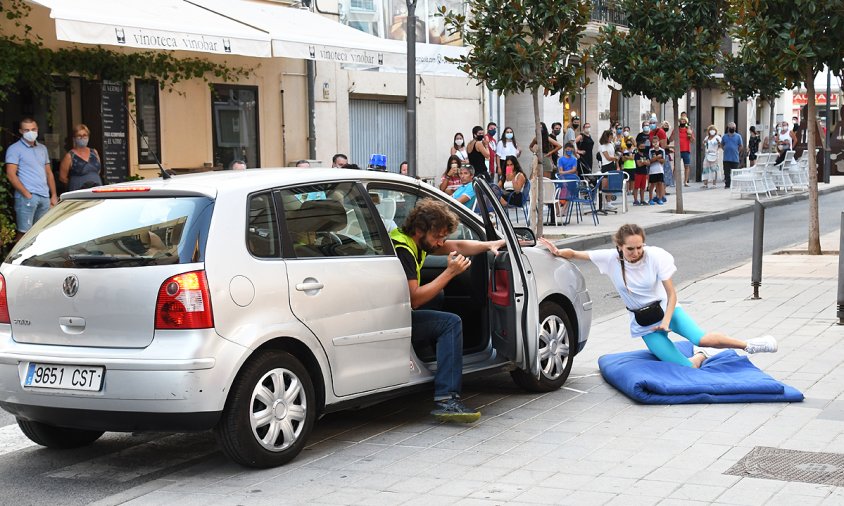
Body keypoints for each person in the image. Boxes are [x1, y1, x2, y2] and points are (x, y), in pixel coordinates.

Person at [538, 224, 778, 369]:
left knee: (701, 337)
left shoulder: (656, 256)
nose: (635, 253)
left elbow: (672, 294)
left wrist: (665, 323)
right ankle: (702, 356)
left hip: (666, 310)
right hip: (644, 323)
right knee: (685, 367)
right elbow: (578, 254)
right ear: (619, 247)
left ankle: (750, 345)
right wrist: (557, 251)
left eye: (639, 247)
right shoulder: (611, 259)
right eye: (630, 248)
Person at [390, 199, 504, 421]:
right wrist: (450, 272)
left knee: (439, 295)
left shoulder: (417, 242)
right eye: (437, 236)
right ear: (420, 229)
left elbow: (459, 246)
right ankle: (447, 399)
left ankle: (425, 353)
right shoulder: (403, 249)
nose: (440, 242)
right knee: (450, 323)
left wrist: (490, 244)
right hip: (394, 317)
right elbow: (415, 299)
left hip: (396, 311)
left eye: (443, 236)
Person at [4, 117, 58, 240]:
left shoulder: (42, 148)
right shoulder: (14, 149)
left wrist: (53, 195)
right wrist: (26, 194)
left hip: (44, 197)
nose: (31, 132)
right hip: (27, 198)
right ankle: (17, 259)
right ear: (21, 131)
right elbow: (11, 175)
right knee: (24, 234)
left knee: (41, 233)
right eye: (27, 130)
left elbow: (49, 173)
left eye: (33, 129)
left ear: (37, 129)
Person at [58, 123, 102, 192]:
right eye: (79, 136)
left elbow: (98, 170)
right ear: (74, 138)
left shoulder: (94, 152)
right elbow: (62, 177)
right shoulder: (70, 156)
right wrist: (75, 183)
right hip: (79, 191)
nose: (82, 138)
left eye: (85, 135)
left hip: (96, 190)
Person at [720, 121, 743, 189]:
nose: (732, 128)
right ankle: (727, 185)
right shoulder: (724, 136)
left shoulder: (738, 136)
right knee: (726, 172)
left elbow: (741, 146)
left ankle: (734, 185)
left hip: (735, 158)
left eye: (733, 127)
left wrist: (737, 151)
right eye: (731, 127)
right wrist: (724, 149)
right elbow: (721, 144)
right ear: (728, 128)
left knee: (734, 173)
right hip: (726, 158)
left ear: (735, 128)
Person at [676, 115, 695, 186]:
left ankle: (685, 181)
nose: (682, 122)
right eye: (681, 121)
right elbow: (671, 138)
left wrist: (690, 135)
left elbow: (693, 140)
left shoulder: (688, 130)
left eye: (684, 121)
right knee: (676, 166)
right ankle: (675, 181)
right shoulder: (676, 129)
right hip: (678, 150)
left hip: (686, 150)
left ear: (686, 122)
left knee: (686, 166)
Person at [632, 141, 650, 206]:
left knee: (643, 187)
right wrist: (644, 162)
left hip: (644, 172)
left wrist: (643, 162)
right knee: (636, 187)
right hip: (638, 172)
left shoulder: (646, 155)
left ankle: (642, 200)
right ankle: (635, 200)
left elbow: (648, 163)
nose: (642, 148)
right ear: (638, 147)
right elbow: (638, 164)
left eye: (643, 147)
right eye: (641, 147)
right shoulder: (636, 155)